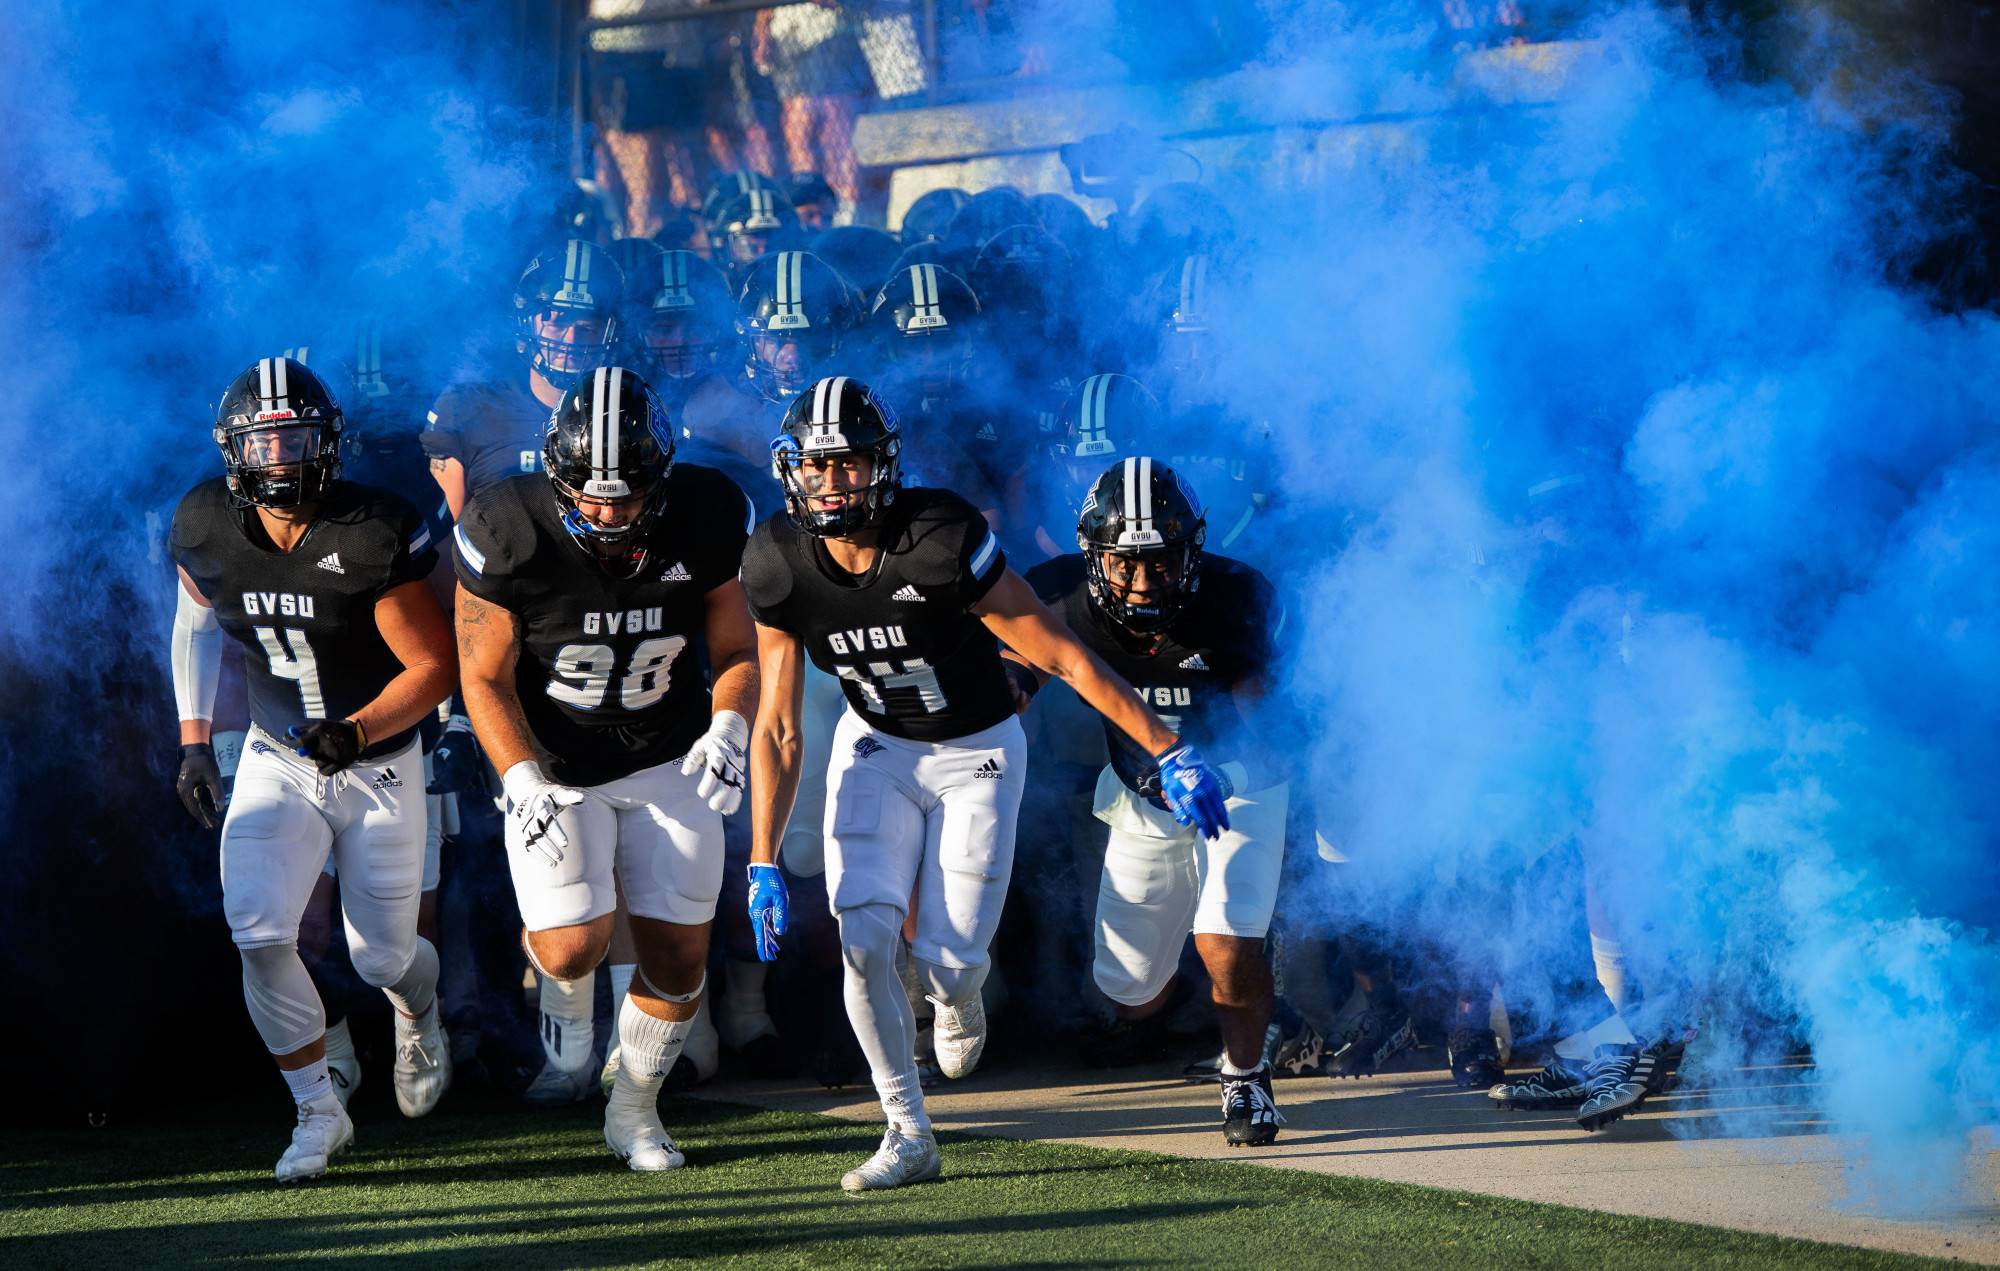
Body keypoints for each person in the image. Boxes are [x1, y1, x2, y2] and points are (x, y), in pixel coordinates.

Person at [739, 376, 1234, 1192]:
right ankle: (907, 1128)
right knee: (862, 944)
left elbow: (1059, 652)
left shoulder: (937, 535)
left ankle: (955, 992)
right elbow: (781, 723)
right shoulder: (775, 559)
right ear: (791, 469)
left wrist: (1167, 746)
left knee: (952, 964)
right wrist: (761, 854)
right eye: (818, 466)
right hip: (877, 744)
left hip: (978, 751)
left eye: (850, 463)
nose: (834, 483)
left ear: (883, 465)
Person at [452, 365, 757, 1170]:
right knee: (570, 948)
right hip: (554, 761)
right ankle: (560, 1000)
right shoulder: (505, 523)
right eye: (590, 493)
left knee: (680, 958)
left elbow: (734, 648)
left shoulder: (710, 511)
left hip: (669, 750)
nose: (608, 511)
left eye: (626, 495)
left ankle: (635, 1111)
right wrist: (519, 778)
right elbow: (480, 674)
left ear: (660, 478)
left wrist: (729, 725)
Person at [169, 356, 455, 1180]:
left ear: (328, 441)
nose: (283, 459)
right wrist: (193, 739)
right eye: (266, 443)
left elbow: (433, 667)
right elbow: (193, 625)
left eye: (296, 439)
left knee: (382, 956)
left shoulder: (369, 530)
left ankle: (418, 1010)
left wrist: (357, 732)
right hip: (277, 752)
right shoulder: (203, 523)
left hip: (380, 761)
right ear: (236, 451)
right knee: (258, 930)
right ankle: (317, 1113)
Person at [1017, 458, 1290, 1146]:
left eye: (1163, 562)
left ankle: (1246, 1071)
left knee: (1225, 935)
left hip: (1237, 784)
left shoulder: (1235, 598)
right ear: (1091, 555)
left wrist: (1220, 777)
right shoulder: (1056, 597)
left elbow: (1283, 736)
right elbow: (1005, 688)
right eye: (1125, 563)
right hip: (1141, 794)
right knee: (1128, 990)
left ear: (1192, 549)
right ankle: (1236, 997)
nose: (1143, 583)